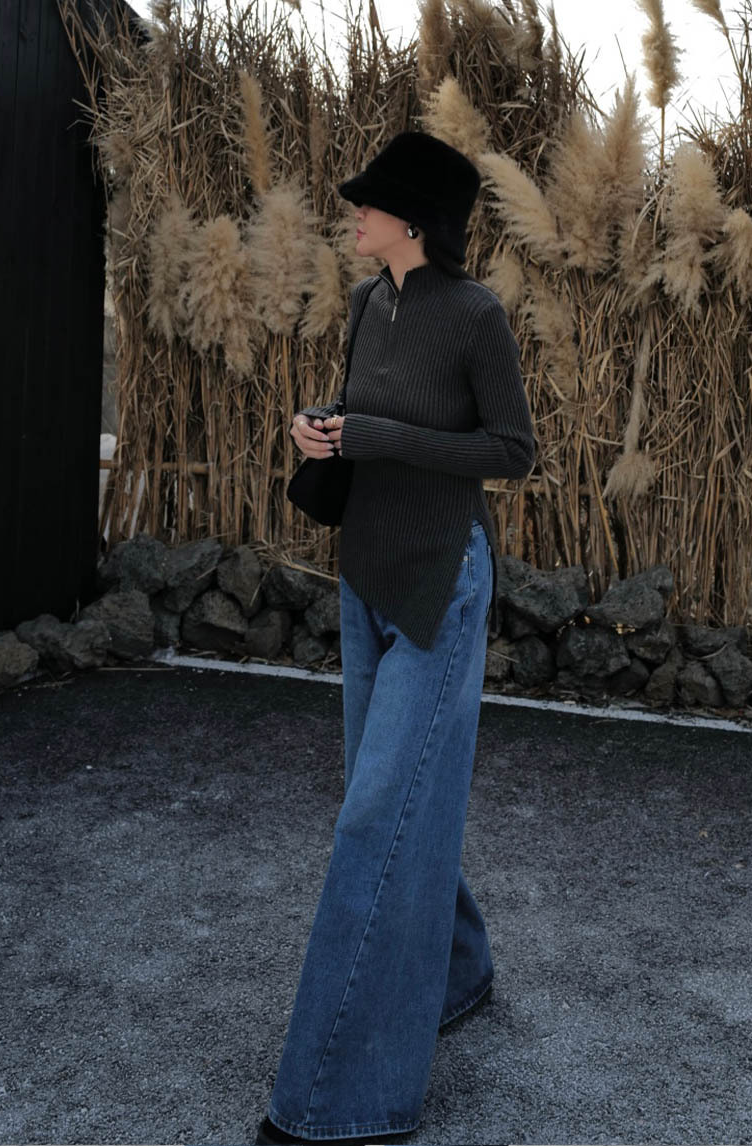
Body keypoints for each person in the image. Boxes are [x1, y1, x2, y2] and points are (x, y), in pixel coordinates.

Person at [255, 131, 536, 1146]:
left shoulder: (475, 316)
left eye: (368, 203)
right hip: (365, 573)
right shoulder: (370, 303)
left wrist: (377, 438)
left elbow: (511, 450)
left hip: (438, 583)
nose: (354, 213)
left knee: (377, 813)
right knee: (390, 794)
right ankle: (457, 973)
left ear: (413, 221)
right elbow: (368, 414)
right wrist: (323, 425)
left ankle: (343, 1097)